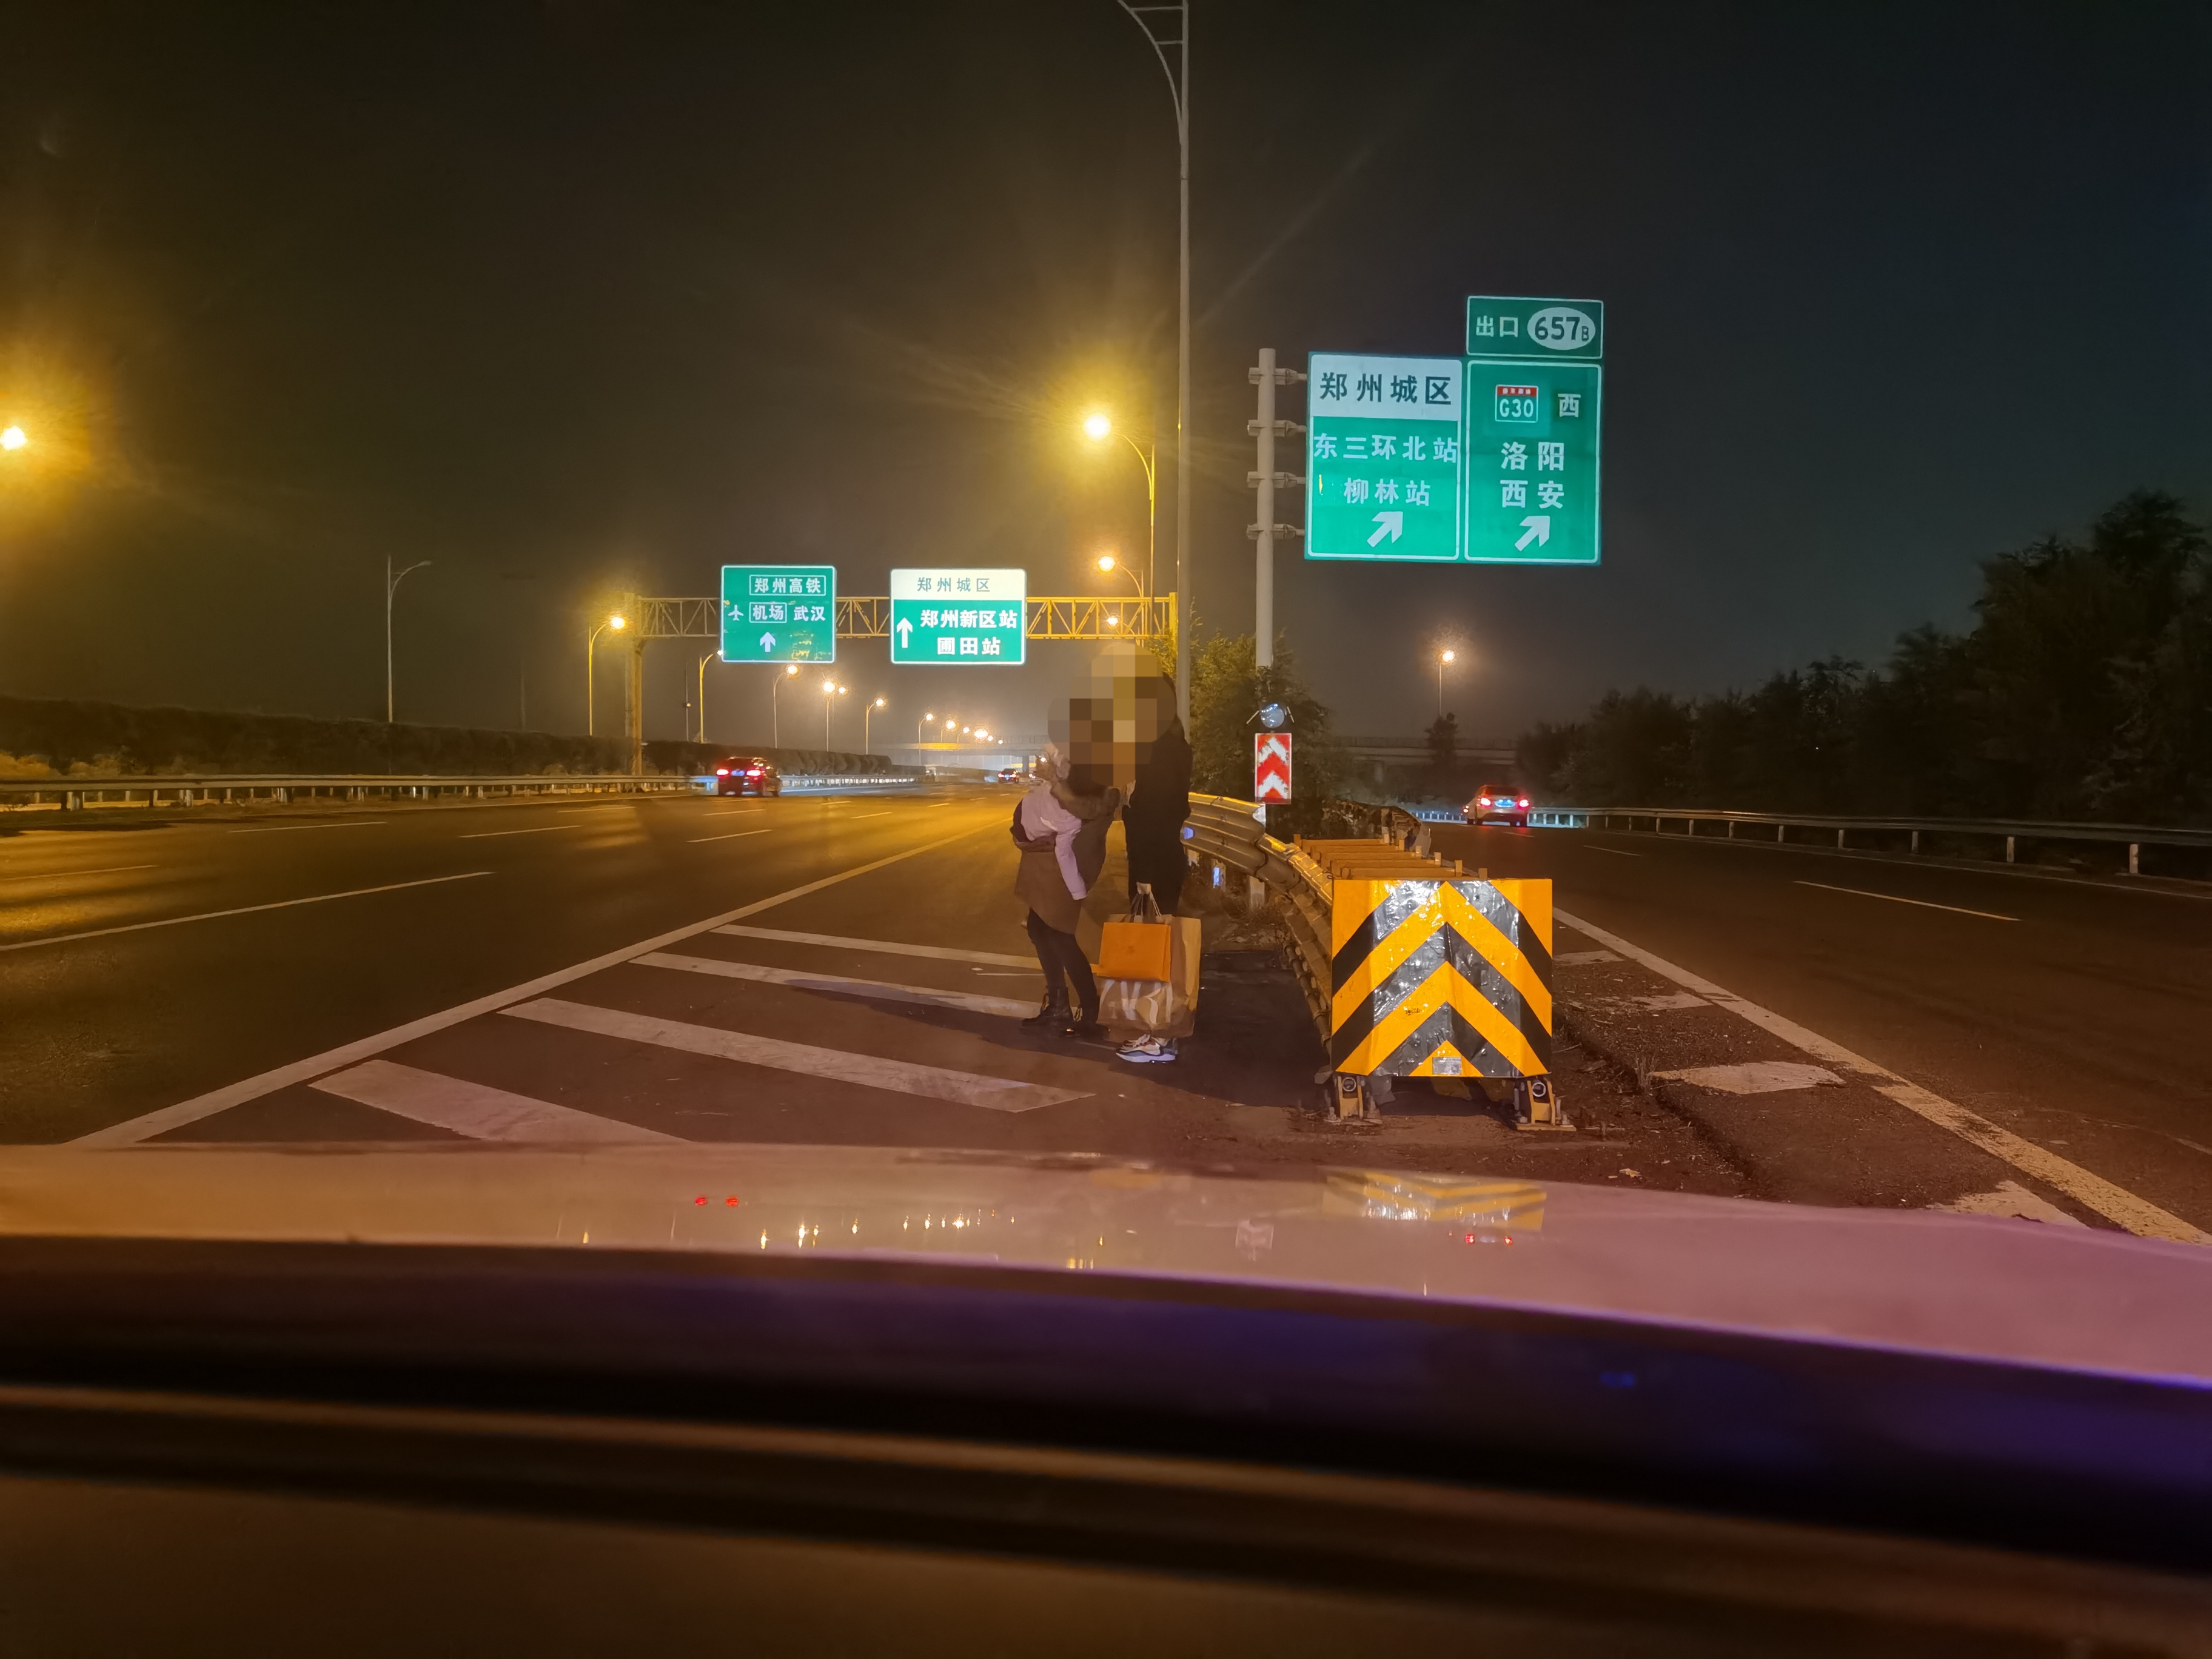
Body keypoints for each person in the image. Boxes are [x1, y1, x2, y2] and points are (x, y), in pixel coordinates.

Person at [1011, 746, 1122, 1040]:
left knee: (1060, 937)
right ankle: (1059, 1005)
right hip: (1050, 865)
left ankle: (1091, 1016)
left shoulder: (1105, 789)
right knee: (1039, 929)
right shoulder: (1078, 766)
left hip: (1070, 868)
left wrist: (1056, 782)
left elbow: (1084, 808)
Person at [1122, 685, 1191, 914]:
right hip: (1170, 859)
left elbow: (1151, 817)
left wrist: (1144, 873)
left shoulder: (1151, 752)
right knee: (1164, 934)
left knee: (1147, 939)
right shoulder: (1180, 747)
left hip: (1152, 865)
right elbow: (1176, 809)